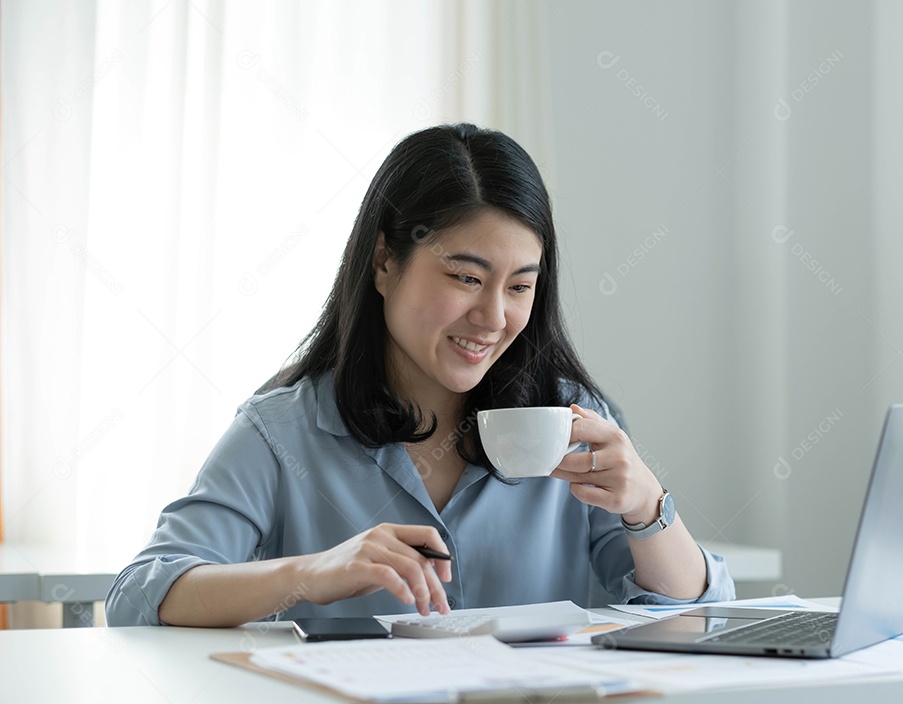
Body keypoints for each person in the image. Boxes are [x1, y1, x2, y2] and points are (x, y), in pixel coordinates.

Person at [105, 124, 735, 627]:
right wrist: (312, 572)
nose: (493, 317)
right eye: (465, 277)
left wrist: (648, 507)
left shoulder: (573, 422)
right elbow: (142, 593)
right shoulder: (283, 432)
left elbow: (697, 613)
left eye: (520, 286)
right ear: (385, 262)